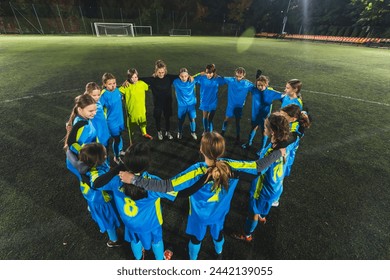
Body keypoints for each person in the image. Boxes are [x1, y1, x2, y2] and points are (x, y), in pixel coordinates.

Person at [119, 132, 287, 260]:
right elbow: (258, 166)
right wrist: (278, 152)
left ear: (201, 149)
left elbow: (166, 186)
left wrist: (134, 179)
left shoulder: (196, 170)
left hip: (198, 216)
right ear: (221, 151)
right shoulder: (230, 166)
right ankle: (218, 254)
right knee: (218, 235)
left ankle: (193, 262)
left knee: (196, 239)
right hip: (219, 214)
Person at [89, 142, 175, 260]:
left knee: (135, 240)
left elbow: (96, 183)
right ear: (147, 164)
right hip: (151, 224)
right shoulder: (153, 182)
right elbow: (176, 191)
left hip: (130, 224)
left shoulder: (115, 180)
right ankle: (160, 261)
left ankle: (139, 259)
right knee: (157, 241)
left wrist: (117, 169)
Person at [232, 112, 291, 242]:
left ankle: (247, 234)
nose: (263, 129)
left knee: (253, 213)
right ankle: (263, 216)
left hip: (263, 191)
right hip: (276, 188)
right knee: (264, 208)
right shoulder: (283, 144)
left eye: (265, 127)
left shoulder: (273, 152)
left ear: (273, 132)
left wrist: (231, 167)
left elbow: (257, 168)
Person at [66, 143, 122, 248]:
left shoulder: (80, 164)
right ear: (99, 160)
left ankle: (99, 222)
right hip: (101, 201)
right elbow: (110, 183)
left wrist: (68, 150)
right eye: (105, 154)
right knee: (108, 220)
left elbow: (70, 159)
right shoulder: (97, 175)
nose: (106, 155)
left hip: (89, 196)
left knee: (95, 212)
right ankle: (114, 240)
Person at [139, 60, 178, 141]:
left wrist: (190, 76)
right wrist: (127, 81)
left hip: (167, 102)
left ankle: (167, 132)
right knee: (158, 118)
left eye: (162, 72)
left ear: (165, 71)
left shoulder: (169, 77)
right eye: (159, 72)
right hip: (158, 104)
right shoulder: (152, 79)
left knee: (167, 118)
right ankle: (159, 131)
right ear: (156, 72)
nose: (161, 74)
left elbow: (181, 75)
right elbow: (137, 79)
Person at [242, 75, 283, 149]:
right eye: (258, 85)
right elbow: (246, 83)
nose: (260, 87)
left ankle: (262, 149)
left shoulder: (271, 92)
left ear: (266, 84)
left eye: (262, 85)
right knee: (253, 128)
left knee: (264, 132)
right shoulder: (254, 90)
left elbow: (283, 95)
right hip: (255, 115)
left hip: (265, 117)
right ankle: (249, 142)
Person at [64, 94, 98, 179]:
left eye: (95, 110)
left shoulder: (84, 119)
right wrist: (87, 155)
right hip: (84, 162)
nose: (94, 113)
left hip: (86, 160)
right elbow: (72, 144)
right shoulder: (82, 125)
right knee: (91, 188)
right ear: (80, 109)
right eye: (90, 111)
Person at [220, 67, 253, 144]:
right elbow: (220, 77)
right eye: (237, 76)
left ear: (243, 75)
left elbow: (256, 88)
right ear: (235, 74)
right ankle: (222, 132)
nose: (238, 78)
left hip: (239, 107)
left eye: (240, 76)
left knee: (237, 122)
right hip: (231, 105)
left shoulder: (247, 83)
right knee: (226, 119)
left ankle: (238, 135)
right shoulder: (231, 80)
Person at [119, 68, 153, 141]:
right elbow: (118, 92)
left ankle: (144, 133)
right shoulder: (126, 86)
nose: (134, 79)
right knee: (132, 128)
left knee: (143, 122)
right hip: (132, 111)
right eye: (132, 77)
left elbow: (150, 85)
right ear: (128, 78)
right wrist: (121, 96)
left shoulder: (142, 84)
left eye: (135, 77)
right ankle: (132, 141)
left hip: (141, 109)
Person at [99, 72, 125, 163]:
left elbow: (121, 97)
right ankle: (116, 156)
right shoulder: (104, 95)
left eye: (114, 83)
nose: (113, 86)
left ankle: (120, 150)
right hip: (111, 122)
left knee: (119, 136)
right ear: (105, 84)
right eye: (110, 84)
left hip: (120, 119)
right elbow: (99, 108)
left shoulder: (117, 90)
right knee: (116, 139)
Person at [280, 104, 311, 178]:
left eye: (285, 115)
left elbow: (291, 138)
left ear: (293, 118)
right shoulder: (298, 118)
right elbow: (305, 108)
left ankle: (282, 176)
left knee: (283, 162)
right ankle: (285, 173)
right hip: (293, 145)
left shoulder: (294, 127)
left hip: (290, 145)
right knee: (290, 158)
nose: (282, 116)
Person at [194, 64, 225, 134]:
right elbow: (191, 78)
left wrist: (218, 76)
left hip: (213, 102)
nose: (208, 75)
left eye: (210, 73)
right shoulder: (202, 78)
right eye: (207, 73)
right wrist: (199, 73)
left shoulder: (217, 79)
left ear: (214, 72)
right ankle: (205, 131)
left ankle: (210, 133)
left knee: (210, 119)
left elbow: (225, 80)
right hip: (204, 101)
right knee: (205, 117)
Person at [173, 68, 198, 140]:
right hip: (182, 106)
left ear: (188, 75)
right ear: (179, 76)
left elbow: (200, 75)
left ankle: (193, 132)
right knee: (181, 120)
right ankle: (179, 132)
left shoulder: (192, 80)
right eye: (182, 76)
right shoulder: (176, 82)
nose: (184, 78)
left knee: (192, 119)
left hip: (191, 105)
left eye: (185, 76)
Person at [84, 82, 110, 150]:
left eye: (98, 95)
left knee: (106, 152)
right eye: (94, 95)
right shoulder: (87, 106)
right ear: (88, 94)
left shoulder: (98, 102)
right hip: (97, 135)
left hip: (104, 132)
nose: (97, 97)